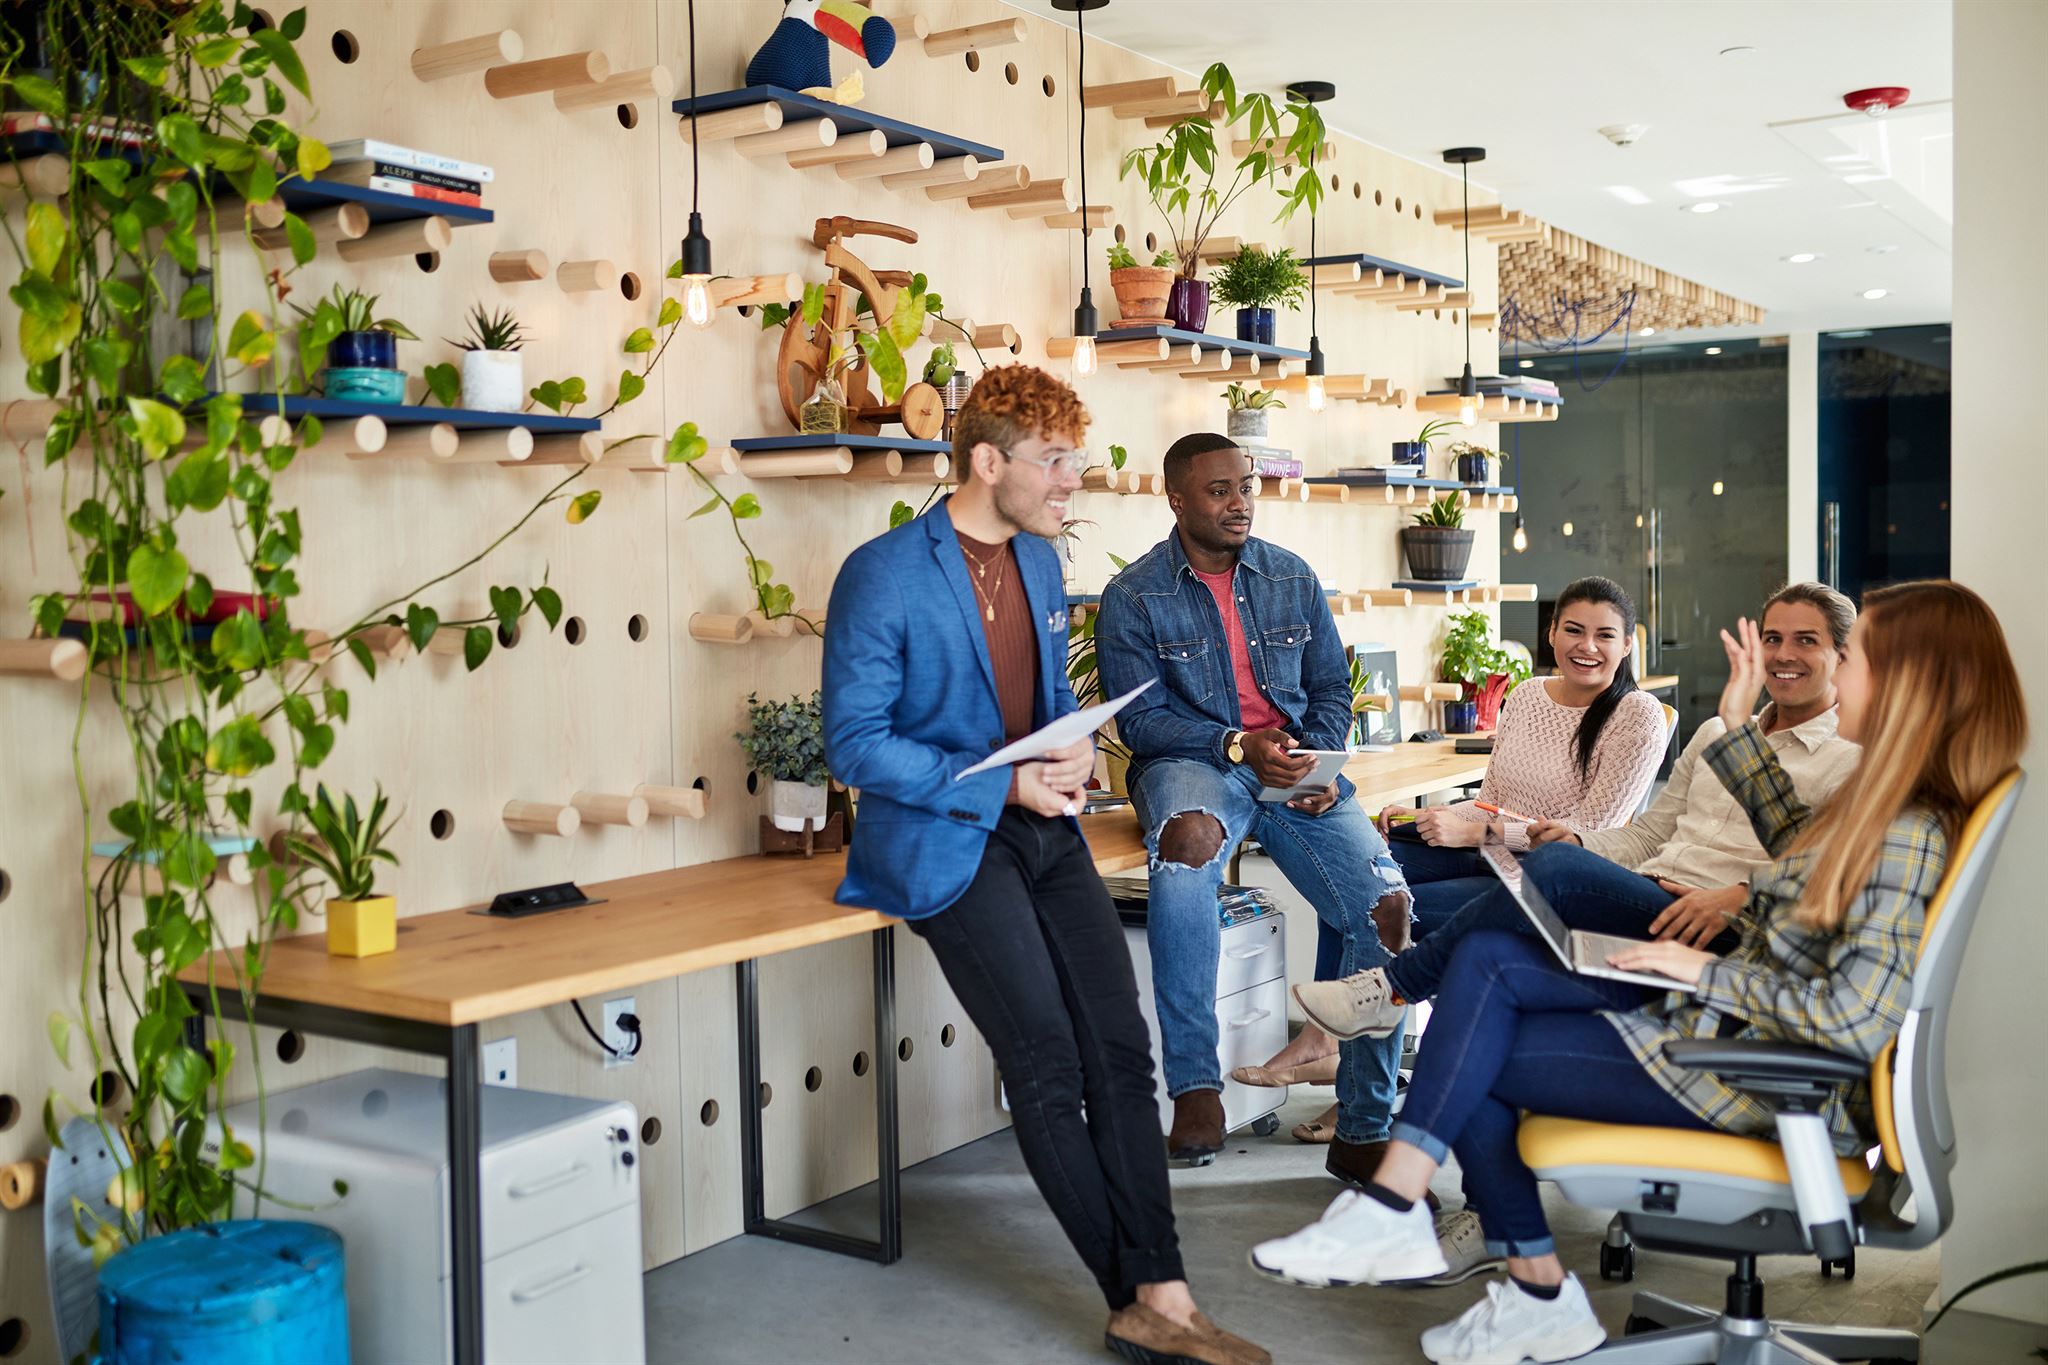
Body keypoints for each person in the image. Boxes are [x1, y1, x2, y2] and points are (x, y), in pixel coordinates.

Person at [1249, 581, 2027, 1365]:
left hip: (1759, 1068)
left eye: (1853, 657)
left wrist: (1700, 968)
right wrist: (1735, 720)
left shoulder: (1905, 828)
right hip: (1727, 1022)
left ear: (1907, 684)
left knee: (1474, 1037)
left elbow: (1855, 1018)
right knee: (1485, 960)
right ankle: (1484, 1258)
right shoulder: (1886, 802)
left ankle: (1465, 1242)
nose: (1834, 672)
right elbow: (1796, 854)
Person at [823, 367, 1267, 1365]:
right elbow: (852, 746)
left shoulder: (1033, 559)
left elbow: (1022, 710)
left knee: (1120, 1049)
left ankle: (1161, 1292)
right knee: (1045, 1065)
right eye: (1053, 460)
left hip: (1044, 826)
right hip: (946, 841)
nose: (1074, 477)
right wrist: (1004, 786)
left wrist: (1060, 750)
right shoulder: (881, 572)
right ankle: (1139, 1298)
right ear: (988, 462)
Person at [1293, 580, 1863, 1284]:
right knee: (1482, 956)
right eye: (1772, 637)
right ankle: (1488, 1219)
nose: (1782, 654)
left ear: (1844, 655)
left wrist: (1739, 894)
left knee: (1545, 873)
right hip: (1646, 899)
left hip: (1712, 939)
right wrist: (1585, 845)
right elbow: (1653, 829)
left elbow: (1820, 874)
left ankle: (1393, 990)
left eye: (1806, 640)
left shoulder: (1849, 758)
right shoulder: (1718, 734)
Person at [1093, 434, 1413, 1185]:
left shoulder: (1289, 577)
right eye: (1219, 491)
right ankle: (1195, 1087)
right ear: (1176, 498)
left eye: (1245, 487)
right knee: (1187, 847)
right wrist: (1238, 743)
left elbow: (1333, 686)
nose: (1239, 503)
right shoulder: (1133, 595)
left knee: (1387, 905)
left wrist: (1322, 756)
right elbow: (1139, 723)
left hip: (1293, 767)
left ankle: (1364, 1125)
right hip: (1194, 764)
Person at [1257, 577, 1668, 1154]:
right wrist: (1425, 818)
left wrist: (1477, 831)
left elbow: (1590, 835)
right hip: (1487, 851)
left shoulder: (1637, 713)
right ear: (1551, 633)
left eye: (1605, 635)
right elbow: (1492, 795)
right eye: (1573, 630)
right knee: (1362, 869)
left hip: (1551, 882)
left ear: (1628, 645)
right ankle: (1336, 1052)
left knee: (1393, 907)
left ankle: (1357, 1085)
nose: (1587, 646)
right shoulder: (1526, 695)